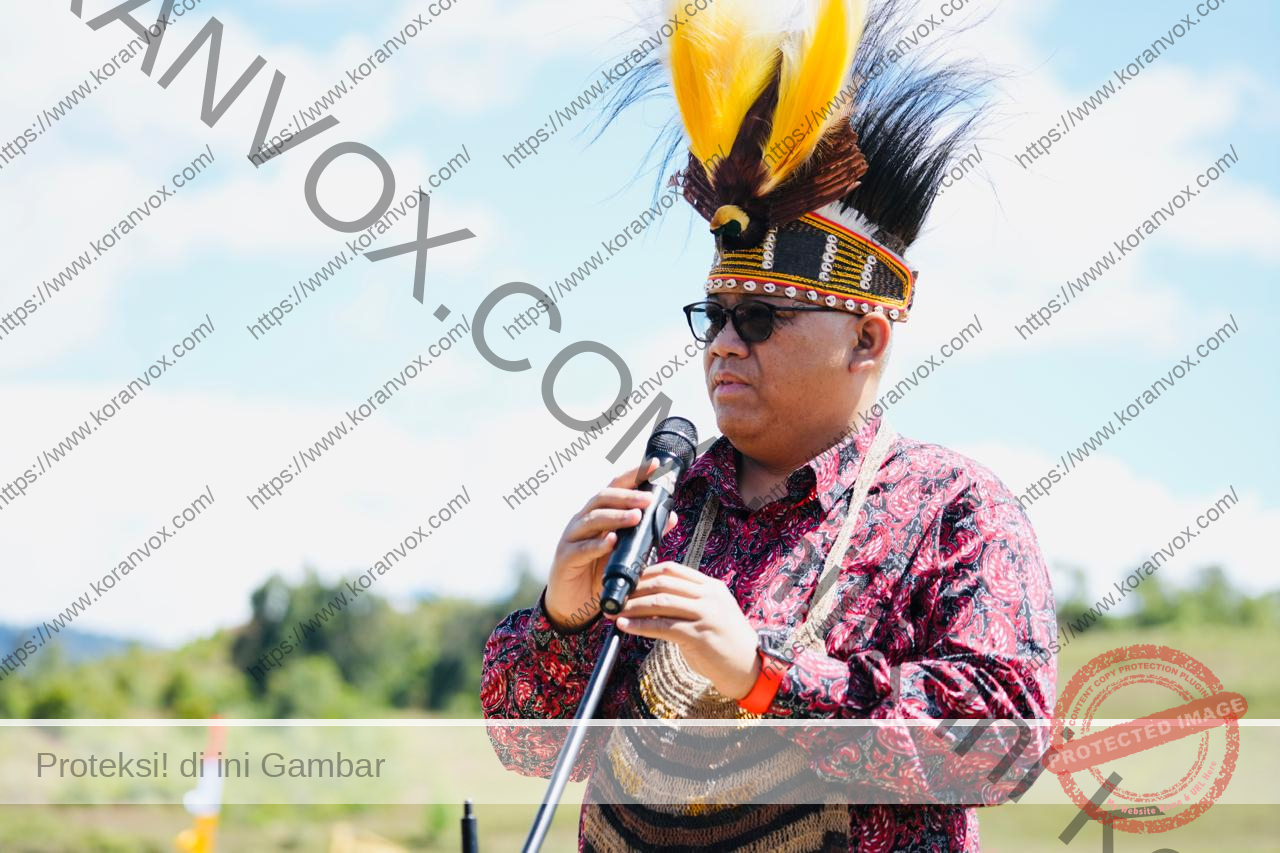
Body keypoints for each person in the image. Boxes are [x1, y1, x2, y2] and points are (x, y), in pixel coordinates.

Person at [482, 0, 1057, 849]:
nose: (723, 343)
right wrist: (562, 618)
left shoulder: (953, 507)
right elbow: (529, 746)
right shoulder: (667, 508)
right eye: (713, 316)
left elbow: (1002, 742)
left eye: (759, 317)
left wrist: (764, 674)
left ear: (866, 339)